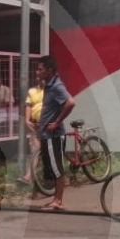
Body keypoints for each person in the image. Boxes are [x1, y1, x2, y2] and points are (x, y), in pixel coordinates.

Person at [34, 56, 75, 211]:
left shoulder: (57, 86)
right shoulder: (49, 85)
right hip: (47, 135)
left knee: (57, 168)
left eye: (40, 69)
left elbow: (70, 103)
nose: (37, 71)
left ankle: (58, 201)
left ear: (49, 70)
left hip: (54, 136)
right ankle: (55, 200)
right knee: (52, 167)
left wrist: (57, 122)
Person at [18, 75, 45, 185]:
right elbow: (28, 105)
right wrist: (27, 120)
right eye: (39, 77)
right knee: (35, 150)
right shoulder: (32, 91)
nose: (40, 79)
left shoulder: (52, 90)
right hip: (36, 124)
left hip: (49, 124)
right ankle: (29, 176)